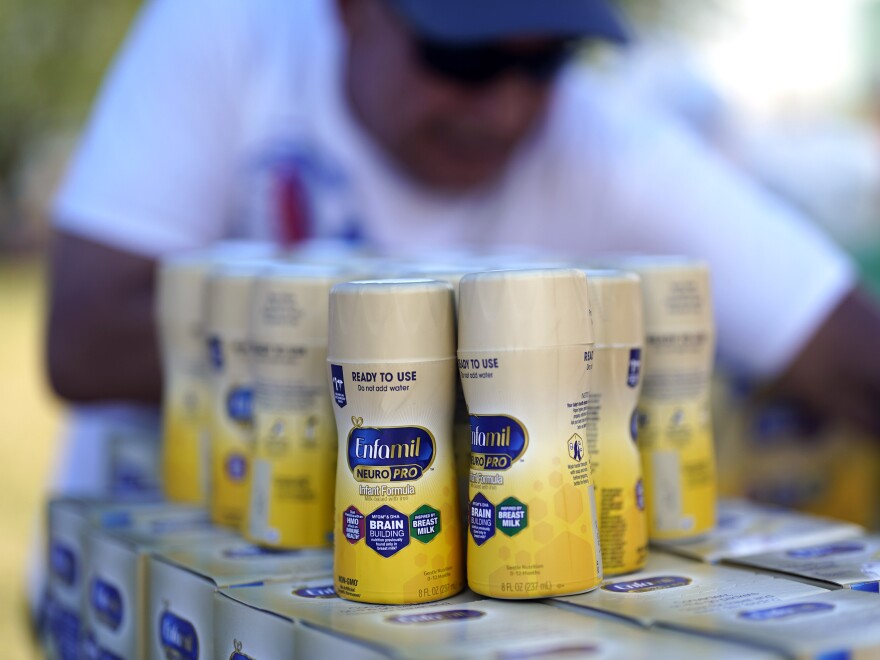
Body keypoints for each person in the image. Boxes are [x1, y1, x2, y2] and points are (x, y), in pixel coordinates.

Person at [47, 0, 880, 479]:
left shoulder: (605, 137)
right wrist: (480, 356)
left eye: (548, 61)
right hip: (153, 598)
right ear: (351, 11)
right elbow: (84, 340)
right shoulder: (221, 31)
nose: (507, 110)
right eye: (464, 58)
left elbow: (847, 349)